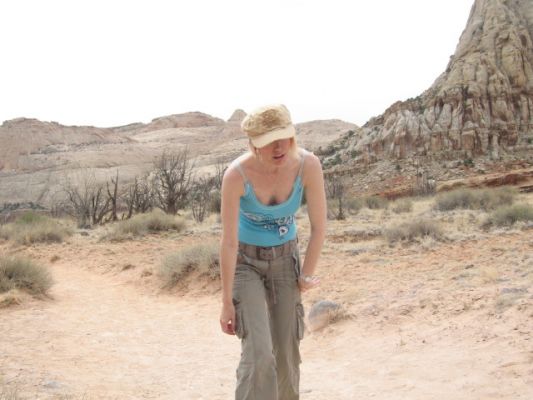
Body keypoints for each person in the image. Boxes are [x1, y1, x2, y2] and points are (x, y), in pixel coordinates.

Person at [219, 104, 327, 400]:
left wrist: (306, 274)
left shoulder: (308, 165)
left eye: (284, 136)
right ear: (254, 143)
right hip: (246, 264)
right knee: (260, 354)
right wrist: (227, 302)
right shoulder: (236, 176)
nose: (279, 146)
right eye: (269, 140)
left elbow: (319, 226)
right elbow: (228, 243)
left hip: (284, 261)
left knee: (287, 350)